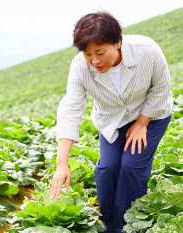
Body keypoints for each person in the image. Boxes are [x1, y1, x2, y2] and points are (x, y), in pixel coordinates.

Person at [50, 11, 173, 233]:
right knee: (107, 169)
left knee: (131, 166)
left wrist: (142, 123)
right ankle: (109, 222)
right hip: (112, 121)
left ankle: (127, 225)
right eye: (88, 54)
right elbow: (71, 107)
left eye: (100, 52)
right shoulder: (80, 66)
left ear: (118, 42)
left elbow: (162, 89)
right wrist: (61, 164)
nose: (94, 61)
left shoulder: (148, 50)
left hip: (151, 115)